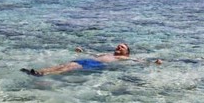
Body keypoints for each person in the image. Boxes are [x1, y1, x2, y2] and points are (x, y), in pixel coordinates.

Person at [21, 43, 161, 76]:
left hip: (95, 65)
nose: (119, 47)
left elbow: (139, 61)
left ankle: (43, 75)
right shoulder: (108, 53)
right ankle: (37, 72)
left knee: (68, 68)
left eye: (122, 47)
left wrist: (154, 63)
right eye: (118, 46)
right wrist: (82, 51)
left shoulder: (125, 58)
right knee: (63, 64)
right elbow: (93, 53)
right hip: (87, 59)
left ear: (127, 52)